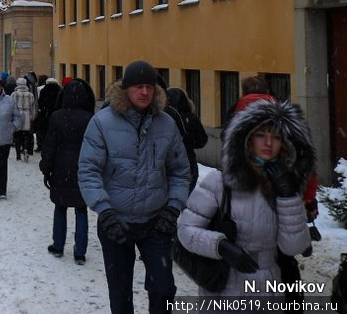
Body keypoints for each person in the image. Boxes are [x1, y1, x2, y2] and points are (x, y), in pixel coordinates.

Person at [78, 60, 190, 314]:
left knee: (163, 289)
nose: (145, 93)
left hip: (155, 222)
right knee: (120, 293)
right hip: (115, 222)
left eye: (149, 87)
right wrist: (104, 211)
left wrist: (173, 208)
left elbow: (180, 171)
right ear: (125, 89)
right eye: (139, 87)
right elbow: (88, 171)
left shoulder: (166, 124)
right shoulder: (102, 123)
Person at [177, 99, 314, 300]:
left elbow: (293, 247)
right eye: (261, 135)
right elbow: (186, 231)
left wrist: (288, 196)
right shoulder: (219, 182)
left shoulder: (286, 187)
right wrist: (221, 246)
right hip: (224, 288)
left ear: (283, 144)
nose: (268, 143)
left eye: (275, 137)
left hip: (269, 288)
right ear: (248, 140)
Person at [41, 77, 95, 265]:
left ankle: (58, 245)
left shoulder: (57, 116)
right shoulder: (90, 118)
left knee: (60, 207)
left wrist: (46, 168)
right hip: (83, 168)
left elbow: (49, 145)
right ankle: (80, 251)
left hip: (60, 167)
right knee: (81, 210)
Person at [164, 87, 209, 193]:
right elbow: (202, 140)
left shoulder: (164, 118)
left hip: (167, 163)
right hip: (188, 161)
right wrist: (189, 144)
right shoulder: (191, 117)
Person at [12, 77, 37, 162]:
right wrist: (33, 116)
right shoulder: (30, 94)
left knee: (17, 136)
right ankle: (26, 148)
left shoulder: (14, 94)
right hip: (27, 114)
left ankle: (18, 154)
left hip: (17, 115)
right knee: (26, 134)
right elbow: (33, 106)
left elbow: (11, 106)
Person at [35, 77, 62, 152]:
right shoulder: (59, 90)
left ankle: (42, 145)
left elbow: (40, 102)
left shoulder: (44, 90)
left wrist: (42, 110)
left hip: (45, 113)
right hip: (55, 113)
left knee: (43, 130)